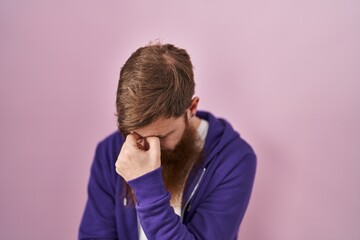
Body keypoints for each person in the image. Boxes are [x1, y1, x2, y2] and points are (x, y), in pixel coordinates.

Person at [79, 43, 257, 240]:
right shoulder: (110, 151)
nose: (147, 148)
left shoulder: (234, 161)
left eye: (162, 137)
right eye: (136, 134)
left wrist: (146, 186)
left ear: (192, 108)